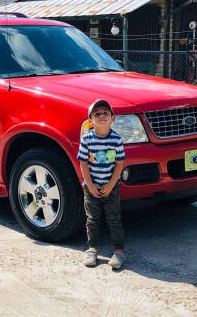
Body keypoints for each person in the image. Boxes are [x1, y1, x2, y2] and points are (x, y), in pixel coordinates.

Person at [77, 99, 126, 269]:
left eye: (106, 113)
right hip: (91, 188)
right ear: (90, 120)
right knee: (92, 220)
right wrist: (90, 186)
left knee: (114, 219)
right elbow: (83, 163)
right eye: (97, 114)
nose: (102, 116)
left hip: (111, 188)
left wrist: (111, 185)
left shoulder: (116, 140)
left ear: (113, 118)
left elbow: (119, 163)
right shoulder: (87, 139)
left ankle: (119, 251)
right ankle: (92, 249)